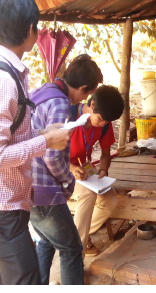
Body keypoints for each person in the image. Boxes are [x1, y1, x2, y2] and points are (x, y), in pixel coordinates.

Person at [0, 0, 71, 285]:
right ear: (30, 30)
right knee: (27, 282)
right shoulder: (3, 80)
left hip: (4, 207)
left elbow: (9, 136)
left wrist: (43, 132)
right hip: (0, 209)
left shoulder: (6, 71)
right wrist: (47, 142)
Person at [29, 54, 104, 284]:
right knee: (71, 248)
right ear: (82, 88)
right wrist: (67, 181)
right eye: (87, 93)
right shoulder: (60, 102)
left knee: (46, 241)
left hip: (27, 184)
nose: (86, 98)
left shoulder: (45, 90)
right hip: (45, 191)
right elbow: (52, 156)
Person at [68, 84, 124, 257]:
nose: (102, 124)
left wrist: (103, 171)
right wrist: (71, 168)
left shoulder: (104, 124)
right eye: (100, 119)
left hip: (84, 168)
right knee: (88, 195)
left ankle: (73, 237)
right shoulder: (68, 117)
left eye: (106, 122)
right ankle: (78, 251)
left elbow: (106, 154)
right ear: (92, 105)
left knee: (110, 200)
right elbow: (47, 152)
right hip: (60, 168)